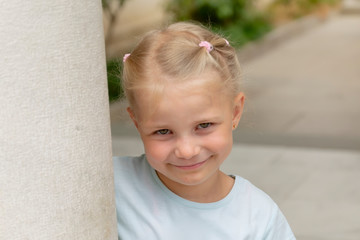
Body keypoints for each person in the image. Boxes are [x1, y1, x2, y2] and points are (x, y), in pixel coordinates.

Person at [113, 22, 296, 240]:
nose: (186, 151)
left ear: (235, 112)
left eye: (203, 126)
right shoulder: (111, 184)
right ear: (137, 122)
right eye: (163, 131)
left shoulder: (258, 218)